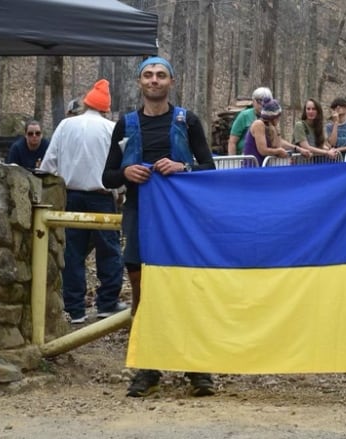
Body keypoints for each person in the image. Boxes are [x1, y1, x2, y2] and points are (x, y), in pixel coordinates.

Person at [101, 56, 217, 398]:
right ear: (140, 82)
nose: (154, 80)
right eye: (148, 75)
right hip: (140, 216)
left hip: (183, 221)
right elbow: (106, 176)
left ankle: (197, 368)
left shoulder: (188, 121)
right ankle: (147, 369)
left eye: (161, 75)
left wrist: (183, 167)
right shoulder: (126, 124)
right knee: (143, 294)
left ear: (172, 81)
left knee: (187, 290)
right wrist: (125, 173)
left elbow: (208, 167)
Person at [39, 79, 126, 325]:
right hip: (102, 196)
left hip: (72, 195)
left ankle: (74, 308)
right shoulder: (112, 129)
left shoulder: (66, 126)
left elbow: (49, 163)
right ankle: (107, 303)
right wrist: (120, 189)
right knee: (109, 251)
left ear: (86, 103)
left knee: (73, 252)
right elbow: (121, 166)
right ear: (105, 107)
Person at [243, 97, 310, 165]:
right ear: (271, 117)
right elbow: (262, 150)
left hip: (264, 167)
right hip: (253, 167)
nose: (279, 119)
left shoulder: (271, 126)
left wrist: (298, 149)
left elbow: (280, 142)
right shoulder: (258, 124)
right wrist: (278, 151)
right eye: (277, 117)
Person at [226, 87, 272, 155]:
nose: (262, 104)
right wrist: (233, 162)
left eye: (266, 101)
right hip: (244, 158)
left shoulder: (271, 118)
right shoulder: (244, 115)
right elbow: (232, 141)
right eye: (259, 101)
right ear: (253, 101)